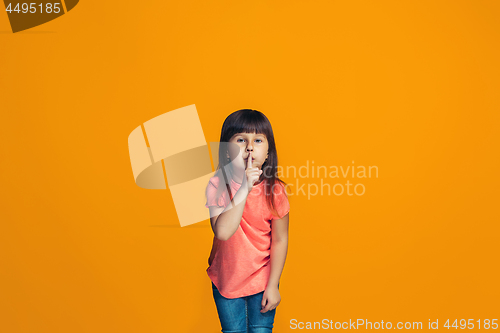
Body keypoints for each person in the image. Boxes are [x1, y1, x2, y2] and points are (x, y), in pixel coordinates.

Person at [205, 109, 290, 333]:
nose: (250, 147)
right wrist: (244, 187)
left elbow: (280, 240)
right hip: (226, 280)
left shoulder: (276, 190)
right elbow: (222, 232)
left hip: (262, 280)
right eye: (241, 140)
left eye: (258, 140)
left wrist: (273, 285)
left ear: (268, 150)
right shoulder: (217, 185)